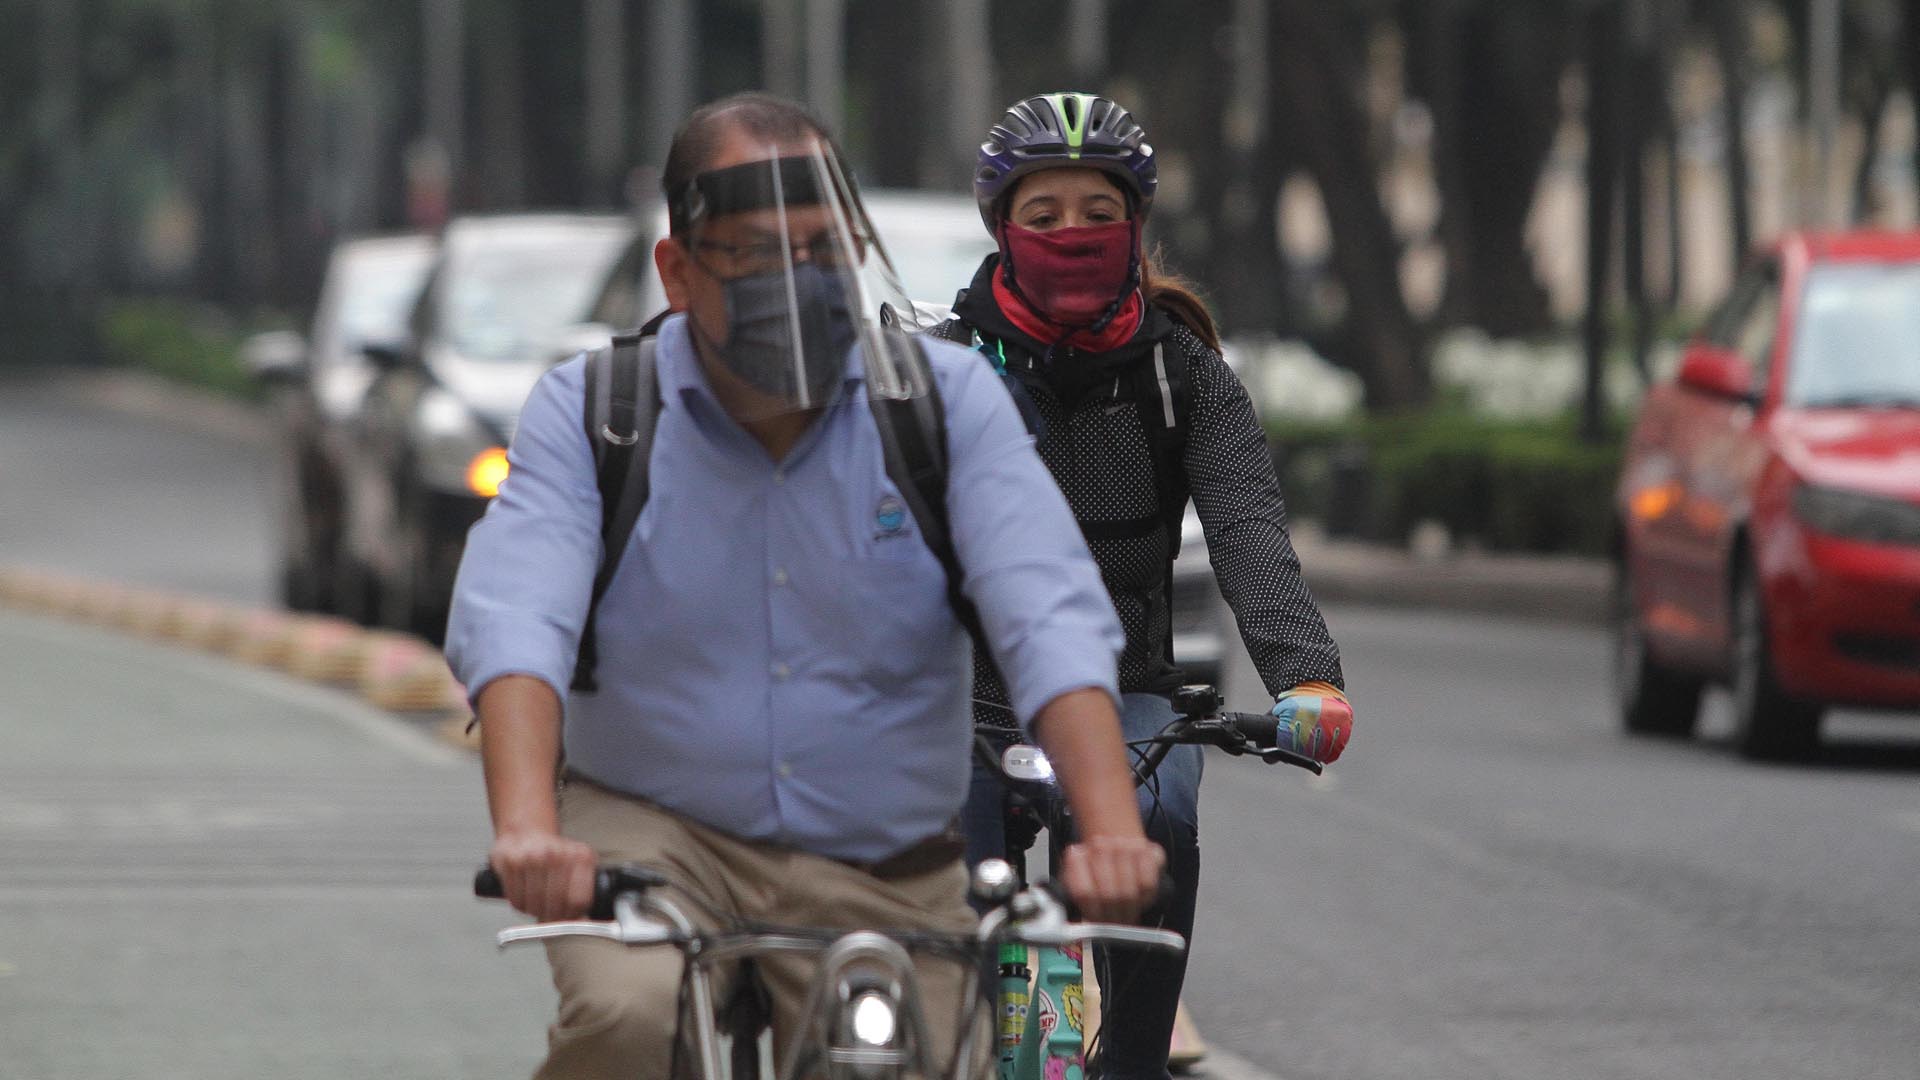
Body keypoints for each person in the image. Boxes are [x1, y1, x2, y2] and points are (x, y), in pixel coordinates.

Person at [443, 92, 1166, 1079]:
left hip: (884, 854)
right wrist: (529, 832)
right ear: (678, 271)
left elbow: (1047, 611)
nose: (801, 281)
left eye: (827, 250)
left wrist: (1111, 832)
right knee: (624, 1016)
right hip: (652, 837)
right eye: (755, 254)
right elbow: (518, 615)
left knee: (918, 1054)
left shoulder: (945, 408)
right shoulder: (596, 412)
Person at [939, 92, 1353, 1080]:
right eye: (1044, 218)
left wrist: (1306, 678)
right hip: (964, 693)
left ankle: (1130, 1062)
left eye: (1099, 213)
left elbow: (1250, 531)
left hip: (1126, 684)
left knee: (1158, 820)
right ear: (1002, 228)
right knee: (929, 854)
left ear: (1138, 226)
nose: (1072, 236)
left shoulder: (1187, 375)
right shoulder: (943, 369)